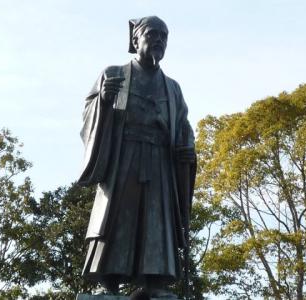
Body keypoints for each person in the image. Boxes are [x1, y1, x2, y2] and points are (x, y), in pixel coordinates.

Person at [78, 16, 196, 297]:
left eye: (164, 37)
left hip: (160, 162)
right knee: (119, 218)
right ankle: (109, 281)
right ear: (136, 39)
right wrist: (104, 102)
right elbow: (88, 114)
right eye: (153, 34)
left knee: (157, 221)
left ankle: (154, 280)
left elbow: (183, 124)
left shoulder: (173, 87)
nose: (159, 41)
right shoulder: (115, 73)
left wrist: (187, 146)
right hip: (125, 156)